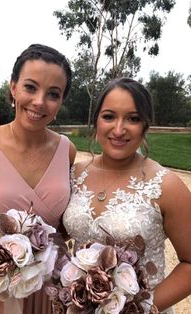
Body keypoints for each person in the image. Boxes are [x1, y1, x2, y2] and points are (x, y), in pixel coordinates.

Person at [0, 43, 76, 314]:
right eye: (30, 87)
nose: (39, 102)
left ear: (61, 102)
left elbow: (66, 226)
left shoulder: (67, 150)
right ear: (13, 87)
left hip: (48, 289)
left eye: (53, 94)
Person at [63, 77, 191, 313]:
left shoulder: (167, 185)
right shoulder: (74, 174)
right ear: (96, 121)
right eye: (109, 116)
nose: (119, 129)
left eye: (132, 118)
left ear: (145, 125)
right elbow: (57, 235)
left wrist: (140, 307)